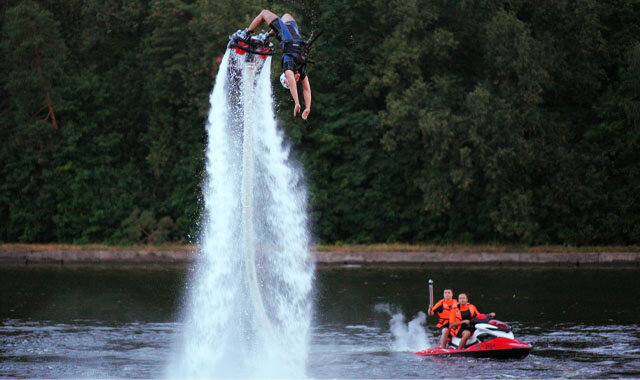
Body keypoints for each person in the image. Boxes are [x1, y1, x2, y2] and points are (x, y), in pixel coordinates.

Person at [234, 10, 312, 120]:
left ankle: (248, 33)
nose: (297, 80)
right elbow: (306, 89)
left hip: (287, 36)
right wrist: (307, 107)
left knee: (264, 13)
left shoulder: (288, 65)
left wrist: (297, 103)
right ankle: (259, 35)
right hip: (294, 35)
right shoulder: (301, 69)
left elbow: (292, 84)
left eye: (293, 81)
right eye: (296, 80)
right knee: (286, 16)